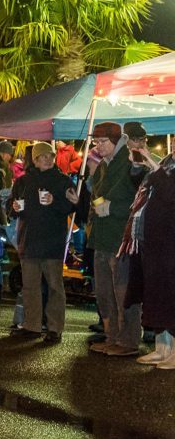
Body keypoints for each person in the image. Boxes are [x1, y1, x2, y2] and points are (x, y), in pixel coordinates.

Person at [8, 142, 78, 344]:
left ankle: (55, 328)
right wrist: (14, 207)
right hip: (29, 239)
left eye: (50, 155)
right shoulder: (23, 182)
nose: (47, 159)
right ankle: (32, 325)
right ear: (35, 159)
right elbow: (12, 208)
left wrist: (55, 202)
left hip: (53, 240)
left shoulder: (62, 181)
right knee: (30, 286)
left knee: (55, 286)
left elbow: (73, 206)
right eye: (43, 156)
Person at [87, 122, 141, 357]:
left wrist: (113, 207)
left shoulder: (129, 162)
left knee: (123, 292)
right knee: (105, 292)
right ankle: (112, 337)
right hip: (102, 237)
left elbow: (140, 199)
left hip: (121, 239)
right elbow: (96, 196)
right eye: (96, 142)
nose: (98, 146)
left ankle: (128, 341)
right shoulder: (103, 166)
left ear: (117, 140)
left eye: (102, 142)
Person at [121, 141, 175, 368]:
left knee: (169, 296)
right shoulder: (167, 164)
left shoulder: (164, 169)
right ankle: (162, 348)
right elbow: (143, 187)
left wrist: (156, 169)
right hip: (151, 240)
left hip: (169, 241)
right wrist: (138, 167)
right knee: (155, 296)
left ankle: (173, 352)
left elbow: (170, 193)